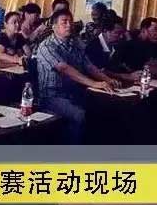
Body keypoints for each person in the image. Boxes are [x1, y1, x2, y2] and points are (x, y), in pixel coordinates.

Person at [37, 9, 120, 143]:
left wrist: (108, 79)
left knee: (106, 108)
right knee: (79, 115)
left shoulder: (75, 43)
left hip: (75, 92)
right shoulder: (46, 46)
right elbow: (64, 68)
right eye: (64, 22)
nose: (69, 25)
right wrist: (94, 83)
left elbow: (89, 66)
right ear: (54, 26)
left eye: (71, 21)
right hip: (52, 96)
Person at [85, 15, 140, 83]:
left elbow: (121, 66)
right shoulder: (92, 47)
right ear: (105, 31)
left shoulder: (118, 45)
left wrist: (133, 73)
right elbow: (99, 71)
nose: (121, 36)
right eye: (117, 33)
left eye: (122, 33)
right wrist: (125, 76)